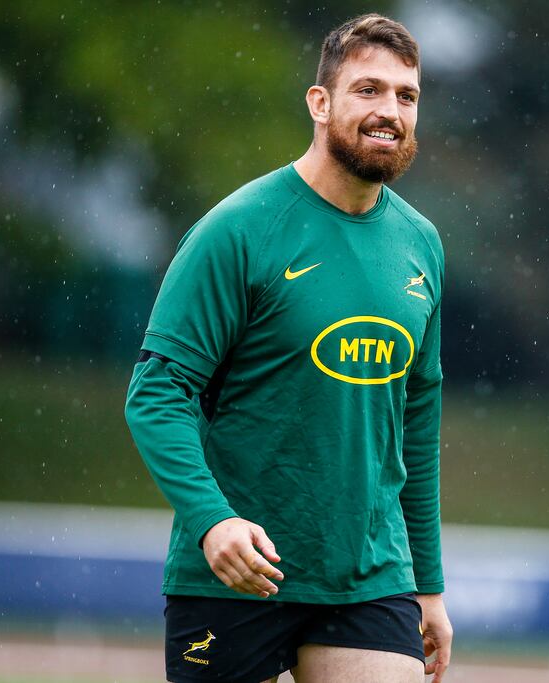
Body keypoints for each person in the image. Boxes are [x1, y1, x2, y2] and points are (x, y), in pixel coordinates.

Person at [124, 13, 452, 683]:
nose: (389, 110)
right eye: (368, 89)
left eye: (406, 95)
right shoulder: (239, 231)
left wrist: (430, 582)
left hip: (368, 577)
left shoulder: (422, 246)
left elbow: (416, 423)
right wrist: (214, 522)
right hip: (236, 578)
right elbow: (156, 395)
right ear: (320, 102)